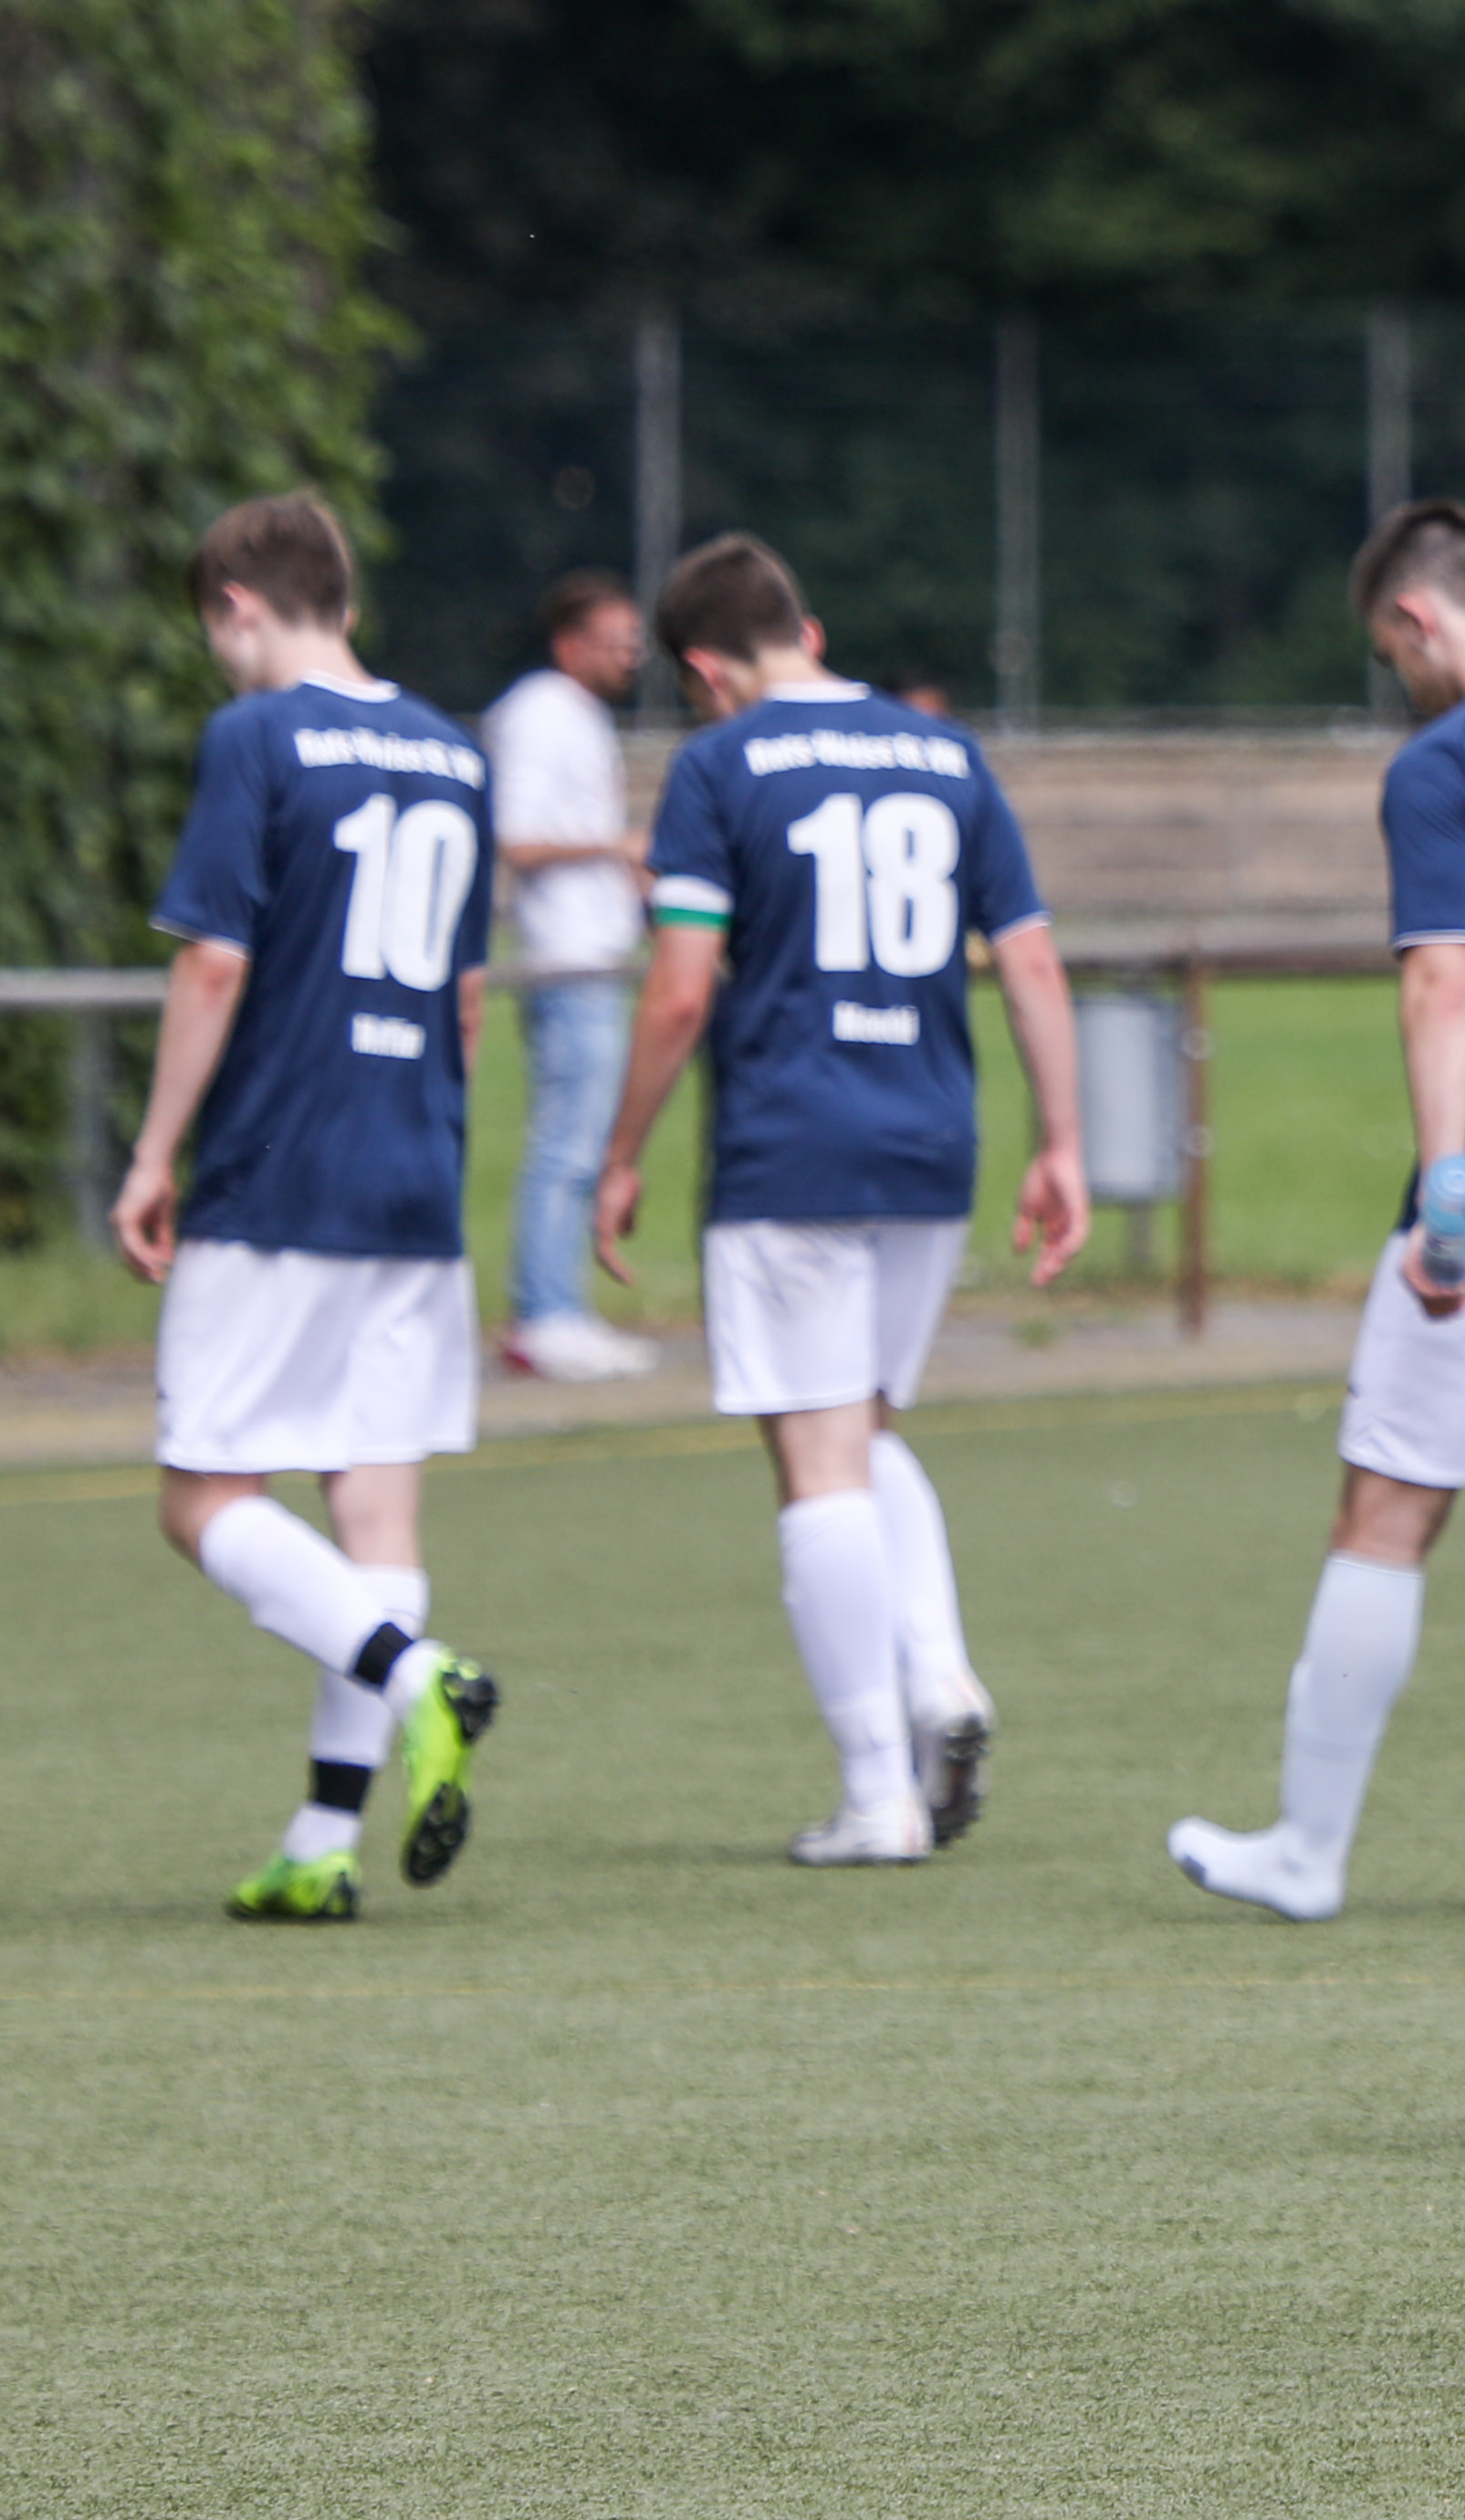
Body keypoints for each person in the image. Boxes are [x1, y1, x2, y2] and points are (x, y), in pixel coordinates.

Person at [1167, 501, 1465, 1921]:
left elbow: (1445, 978)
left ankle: (1307, 1850)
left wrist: (1450, 1185)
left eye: (1395, 657)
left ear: (1417, 619)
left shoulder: (1445, 760)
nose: (1405, 680)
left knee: (1385, 1504)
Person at [594, 533, 1089, 1864]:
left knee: (815, 1462)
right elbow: (1032, 962)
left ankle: (878, 1794)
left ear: (707, 671)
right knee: (861, 1428)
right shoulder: (947, 754)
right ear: (807, 632)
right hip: (930, 1140)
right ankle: (940, 1677)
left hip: (790, 1145)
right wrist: (1062, 1142)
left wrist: (622, 1151)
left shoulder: (717, 765)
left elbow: (680, 990)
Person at [113, 491, 504, 1925]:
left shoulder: (258, 737)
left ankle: (419, 1674)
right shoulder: (456, 753)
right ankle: (324, 1840)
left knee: (203, 1498)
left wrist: (154, 1154)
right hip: (414, 1174)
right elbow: (467, 998)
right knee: (373, 1508)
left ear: (237, 605)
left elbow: (214, 963)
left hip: (282, 1170)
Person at [488, 570, 662, 1383]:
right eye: (613, 641)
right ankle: (544, 1312)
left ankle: (560, 1306)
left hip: (596, 953)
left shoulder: (580, 717)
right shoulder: (539, 713)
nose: (629, 656)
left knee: (584, 1142)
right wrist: (615, 846)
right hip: (565, 956)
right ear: (569, 643)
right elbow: (519, 837)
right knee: (569, 1143)